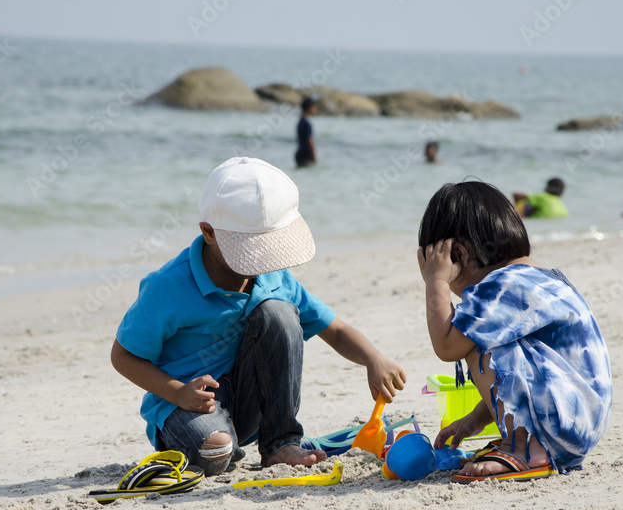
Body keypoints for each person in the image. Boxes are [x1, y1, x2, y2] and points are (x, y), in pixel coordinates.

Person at [111, 157, 406, 476]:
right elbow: (124, 355)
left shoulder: (273, 277)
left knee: (279, 312)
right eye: (250, 249)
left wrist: (373, 358)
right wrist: (177, 392)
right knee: (216, 451)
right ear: (209, 232)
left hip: (251, 403)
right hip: (186, 405)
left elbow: (333, 329)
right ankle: (217, 442)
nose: (262, 260)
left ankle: (280, 443)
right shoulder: (169, 287)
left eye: (269, 246)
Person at [417, 180, 612, 482]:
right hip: (573, 425)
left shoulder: (502, 285)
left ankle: (524, 448)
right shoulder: (539, 277)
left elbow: (447, 346)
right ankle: (528, 442)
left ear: (459, 254)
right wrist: (475, 419)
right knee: (480, 333)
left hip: (559, 425)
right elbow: (530, 370)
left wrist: (435, 282)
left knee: (470, 337)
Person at [295, 97, 318, 168]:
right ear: (309, 108)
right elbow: (310, 140)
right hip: (306, 155)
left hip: (299, 153)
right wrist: (314, 158)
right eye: (314, 107)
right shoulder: (307, 123)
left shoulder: (300, 121)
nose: (315, 109)